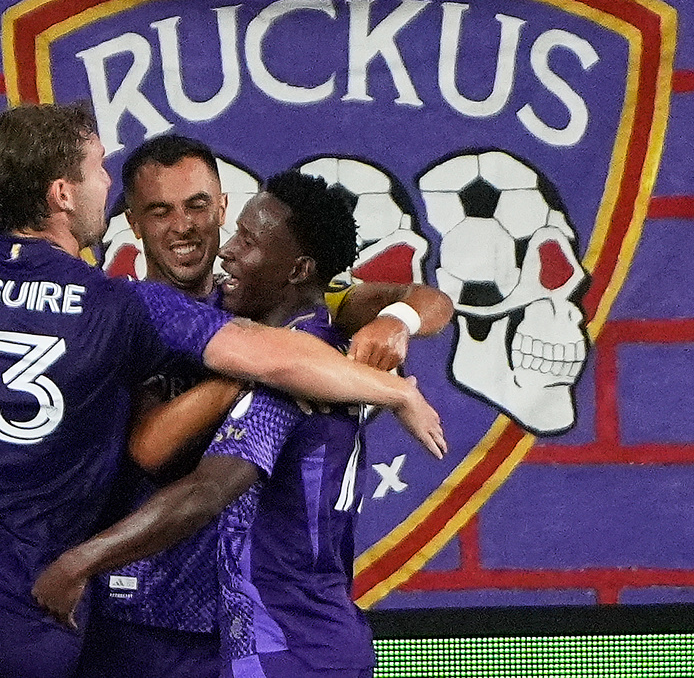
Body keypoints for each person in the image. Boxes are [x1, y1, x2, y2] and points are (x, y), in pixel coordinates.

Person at [0, 104, 444, 678]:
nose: (183, 226)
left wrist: (399, 323)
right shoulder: (127, 307)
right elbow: (157, 444)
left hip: (202, 628)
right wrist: (386, 390)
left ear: (221, 209)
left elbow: (424, 300)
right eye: (157, 211)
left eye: (199, 207)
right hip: (99, 612)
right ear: (125, 221)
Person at [34, 171, 444, 677]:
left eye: (248, 241)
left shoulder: (288, 381)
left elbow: (203, 491)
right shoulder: (328, 354)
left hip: (286, 649)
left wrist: (80, 562)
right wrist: (398, 319)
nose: (227, 252)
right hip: (316, 639)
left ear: (299, 270)